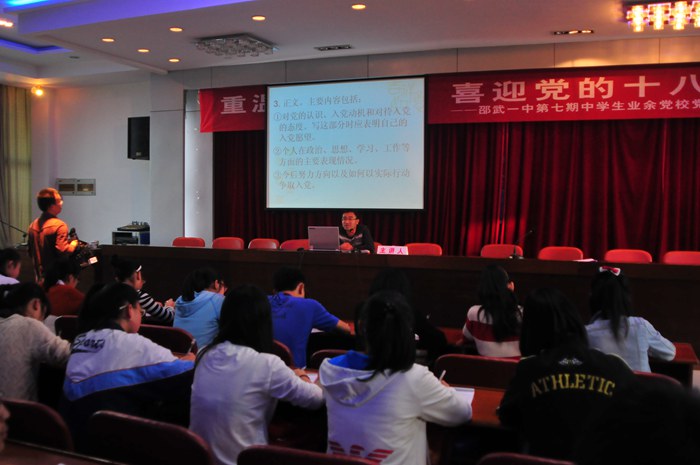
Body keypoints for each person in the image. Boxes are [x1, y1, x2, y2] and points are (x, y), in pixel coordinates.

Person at [319, 290, 471, 465]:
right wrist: (445, 388)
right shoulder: (413, 378)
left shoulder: (329, 369)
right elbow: (462, 413)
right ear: (408, 333)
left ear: (361, 327)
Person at [498, 287, 637, 461]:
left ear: (529, 330)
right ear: (574, 319)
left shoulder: (528, 369)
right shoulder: (615, 366)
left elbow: (507, 415)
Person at [190, 284, 324, 465]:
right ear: (264, 321)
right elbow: (316, 399)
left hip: (200, 459)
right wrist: (302, 376)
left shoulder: (204, 354)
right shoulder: (267, 364)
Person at [61, 282, 195, 450]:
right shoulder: (130, 343)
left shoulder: (82, 339)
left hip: (75, 440)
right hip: (111, 445)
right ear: (129, 310)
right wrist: (190, 359)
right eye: (141, 310)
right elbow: (186, 374)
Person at [585, 266, 675, 372]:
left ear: (593, 297)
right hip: (640, 383)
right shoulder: (641, 326)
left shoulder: (585, 333)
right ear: (626, 298)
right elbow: (669, 353)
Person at [0, 282, 71, 400]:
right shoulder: (29, 325)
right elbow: (68, 355)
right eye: (42, 318)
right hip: (14, 410)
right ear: (36, 304)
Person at [268, 266, 351, 368]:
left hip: (260, 369)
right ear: (301, 287)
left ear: (274, 291)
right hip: (295, 372)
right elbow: (346, 329)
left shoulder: (261, 301)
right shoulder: (310, 305)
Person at [367, 267, 447, 365]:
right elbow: (438, 339)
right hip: (402, 366)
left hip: (372, 365)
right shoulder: (408, 311)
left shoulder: (367, 309)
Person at [460, 265, 521, 358]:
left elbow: (465, 339)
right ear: (510, 286)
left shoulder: (474, 313)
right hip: (517, 367)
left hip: (485, 367)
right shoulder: (523, 313)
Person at [27, 187, 78, 281]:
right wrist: (73, 244)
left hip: (39, 278)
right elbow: (63, 251)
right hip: (56, 279)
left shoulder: (32, 225)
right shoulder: (59, 225)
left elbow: (30, 251)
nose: (61, 203)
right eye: (59, 201)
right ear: (51, 206)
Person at [111, 255, 175, 325]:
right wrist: (169, 306)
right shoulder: (140, 296)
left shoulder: (111, 292)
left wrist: (148, 308)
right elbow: (169, 317)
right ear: (138, 275)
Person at [174, 267, 226, 348]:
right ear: (216, 283)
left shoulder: (180, 300)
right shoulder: (217, 300)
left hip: (180, 353)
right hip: (204, 354)